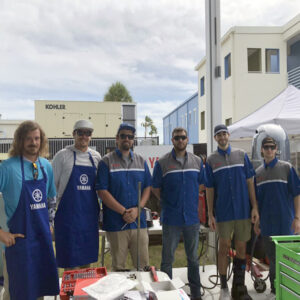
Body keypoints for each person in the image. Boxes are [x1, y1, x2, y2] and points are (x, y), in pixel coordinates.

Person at [0, 121, 59, 300]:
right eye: (28, 139)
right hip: (18, 245)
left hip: (42, 242)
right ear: (20, 141)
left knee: (39, 291)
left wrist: (50, 223)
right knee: (17, 292)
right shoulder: (7, 168)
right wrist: (1, 233)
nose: (33, 142)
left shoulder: (46, 166)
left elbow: (51, 199)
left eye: (37, 138)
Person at [205, 124, 259, 300]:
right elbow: (210, 189)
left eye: (224, 134)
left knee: (242, 248)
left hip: (243, 211)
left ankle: (239, 287)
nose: (222, 137)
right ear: (215, 138)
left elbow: (250, 182)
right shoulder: (211, 160)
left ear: (228, 135)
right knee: (224, 248)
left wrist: (255, 207)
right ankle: (224, 288)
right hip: (224, 212)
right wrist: (210, 214)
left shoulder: (241, 155)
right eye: (218, 135)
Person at [152, 127, 204, 300]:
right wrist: (168, 201)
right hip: (171, 218)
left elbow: (202, 184)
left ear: (187, 139)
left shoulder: (197, 161)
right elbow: (155, 187)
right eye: (177, 138)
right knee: (167, 260)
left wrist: (191, 197)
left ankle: (195, 295)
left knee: (193, 260)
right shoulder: (162, 163)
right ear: (172, 140)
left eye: (183, 137)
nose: (180, 140)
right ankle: (167, 295)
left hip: (191, 218)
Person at [96, 123, 151, 271]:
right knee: (119, 269)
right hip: (116, 223)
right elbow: (102, 191)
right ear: (117, 139)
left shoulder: (141, 161)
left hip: (138, 223)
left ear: (133, 140)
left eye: (130, 136)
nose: (127, 139)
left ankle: (143, 294)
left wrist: (138, 210)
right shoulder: (105, 162)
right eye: (123, 136)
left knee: (143, 267)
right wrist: (123, 211)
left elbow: (147, 187)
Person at [255, 136, 300, 300]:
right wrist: (258, 221)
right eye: (266, 147)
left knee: (288, 260)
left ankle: (290, 291)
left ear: (276, 149)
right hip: (267, 226)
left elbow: (297, 194)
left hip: (286, 224)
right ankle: (275, 291)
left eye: (272, 147)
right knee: (273, 260)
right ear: (261, 150)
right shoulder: (258, 173)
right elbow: (258, 201)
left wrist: (297, 218)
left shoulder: (287, 168)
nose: (269, 150)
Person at [52, 120, 101, 269]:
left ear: (91, 136)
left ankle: (83, 293)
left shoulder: (96, 157)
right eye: (80, 132)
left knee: (87, 266)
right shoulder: (62, 156)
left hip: (89, 220)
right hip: (68, 220)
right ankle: (69, 293)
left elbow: (101, 188)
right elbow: (52, 188)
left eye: (88, 133)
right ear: (74, 134)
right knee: (70, 266)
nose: (84, 136)